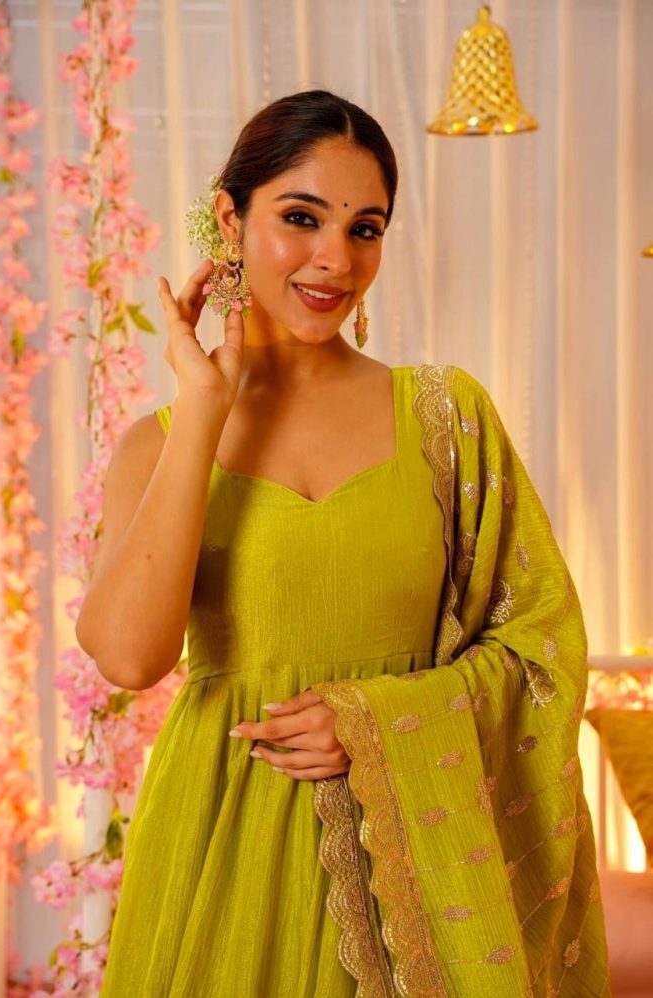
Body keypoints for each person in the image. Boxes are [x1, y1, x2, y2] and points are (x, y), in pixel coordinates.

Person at [77, 90, 610, 997]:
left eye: (366, 229)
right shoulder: (159, 443)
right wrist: (204, 409)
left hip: (414, 868)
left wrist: (375, 721)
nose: (336, 259)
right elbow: (130, 658)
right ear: (228, 219)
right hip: (221, 851)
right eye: (301, 218)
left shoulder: (446, 419)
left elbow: (543, 648)